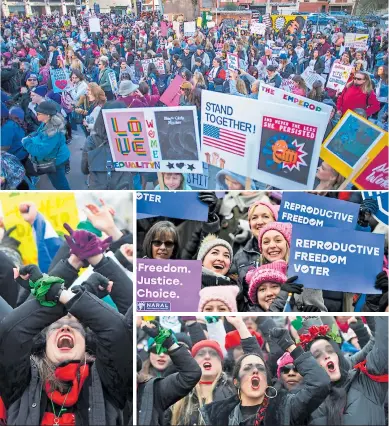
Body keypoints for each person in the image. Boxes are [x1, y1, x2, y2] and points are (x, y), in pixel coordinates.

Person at [0, 260, 132, 425]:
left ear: (86, 346)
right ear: (44, 345)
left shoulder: (107, 381)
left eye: (75, 327)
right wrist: (55, 295)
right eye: (55, 327)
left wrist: (64, 296)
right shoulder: (22, 380)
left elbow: (118, 331)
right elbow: (12, 332)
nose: (65, 329)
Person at [201, 323, 331, 426]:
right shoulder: (218, 416)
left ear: (268, 382)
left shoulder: (286, 407)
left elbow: (320, 383)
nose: (255, 370)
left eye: (261, 368)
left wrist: (291, 347)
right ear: (236, 382)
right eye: (247, 368)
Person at [137, 320, 201, 426]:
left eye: (166, 351)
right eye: (155, 350)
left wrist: (169, 342)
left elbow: (191, 373)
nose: (161, 355)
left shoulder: (153, 389)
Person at [21, 101, 70, 190]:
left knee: (60, 185)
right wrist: (30, 136)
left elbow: (40, 151)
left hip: (55, 162)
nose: (36, 115)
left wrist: (26, 142)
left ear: (47, 115)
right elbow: (38, 132)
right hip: (59, 157)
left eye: (39, 113)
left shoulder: (52, 131)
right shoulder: (47, 122)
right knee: (59, 182)